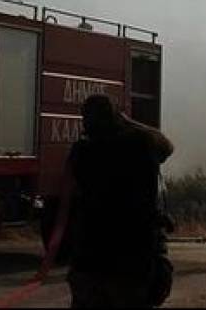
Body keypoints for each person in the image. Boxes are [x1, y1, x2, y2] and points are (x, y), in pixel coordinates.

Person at [64, 94, 175, 308]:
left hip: (90, 258)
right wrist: (127, 120)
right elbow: (166, 145)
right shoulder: (140, 144)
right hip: (131, 260)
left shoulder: (81, 153)